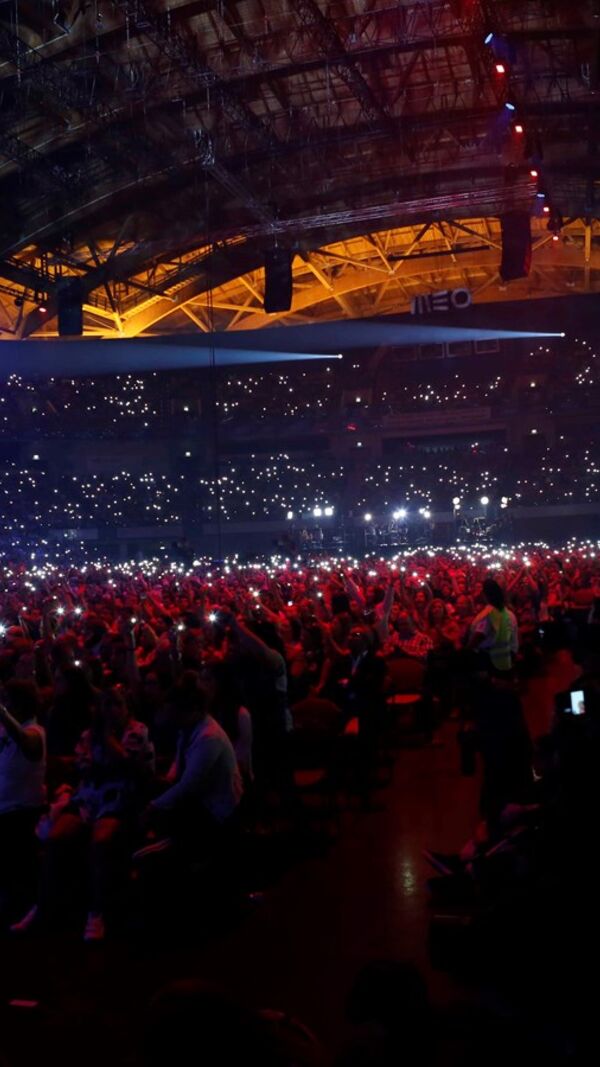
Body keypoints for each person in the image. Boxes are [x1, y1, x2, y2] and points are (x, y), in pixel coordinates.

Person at [146, 671, 243, 853]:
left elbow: (189, 785)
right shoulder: (190, 726)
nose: (172, 718)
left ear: (193, 710)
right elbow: (180, 761)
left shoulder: (209, 737)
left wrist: (154, 806)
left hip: (216, 808)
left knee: (161, 816)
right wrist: (168, 778)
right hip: (201, 797)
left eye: (176, 713)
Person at [0, 680, 46, 925]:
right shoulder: (4, 730)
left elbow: (28, 745)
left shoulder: (36, 732)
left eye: (8, 700)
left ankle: (21, 905)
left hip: (20, 811)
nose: (5, 704)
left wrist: (2, 713)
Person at [469, 578, 518, 674]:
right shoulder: (509, 613)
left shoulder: (488, 615)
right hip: (509, 655)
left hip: (492, 660)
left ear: (485, 595)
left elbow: (477, 638)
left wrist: (465, 650)